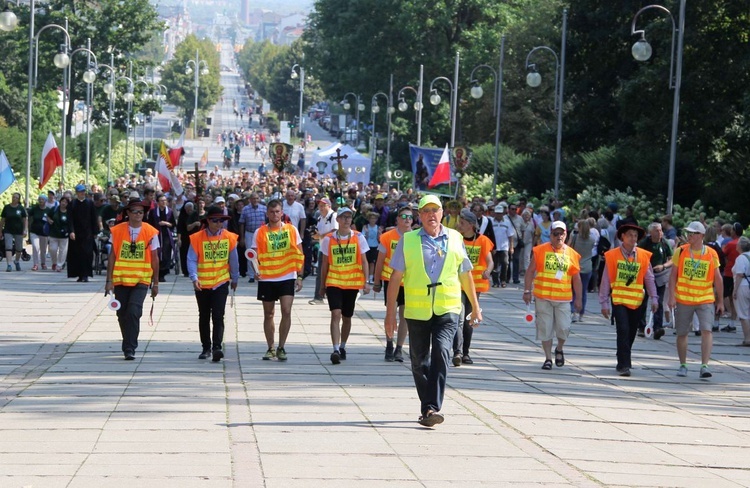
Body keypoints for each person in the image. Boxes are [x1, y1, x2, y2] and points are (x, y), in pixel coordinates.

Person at [385, 195, 481, 427]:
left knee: (441, 351)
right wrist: (390, 314)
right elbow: (395, 278)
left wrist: (475, 307)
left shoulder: (456, 238)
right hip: (417, 312)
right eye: (425, 211)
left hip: (447, 309)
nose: (431, 215)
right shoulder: (408, 241)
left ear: (442, 214)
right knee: (419, 361)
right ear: (419, 216)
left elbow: (465, 274)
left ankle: (431, 407)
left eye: (435, 210)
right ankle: (428, 407)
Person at [598, 224, 658, 376]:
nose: (633, 238)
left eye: (635, 236)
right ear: (622, 237)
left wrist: (654, 298)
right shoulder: (612, 255)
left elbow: (649, 278)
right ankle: (624, 364)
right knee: (623, 330)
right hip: (619, 301)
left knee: (631, 332)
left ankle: (622, 356)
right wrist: (604, 302)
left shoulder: (643, 255)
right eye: (630, 235)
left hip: (637, 301)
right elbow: (606, 279)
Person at [522, 221, 582, 371]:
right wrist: (527, 291)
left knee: (564, 328)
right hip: (543, 297)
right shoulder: (540, 250)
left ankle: (559, 348)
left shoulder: (572, 254)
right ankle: (548, 358)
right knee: (545, 328)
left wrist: (579, 299)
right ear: (550, 235)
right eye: (556, 234)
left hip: (563, 298)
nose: (559, 237)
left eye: (562, 233)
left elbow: (576, 278)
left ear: (566, 234)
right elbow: (530, 271)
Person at [105, 198, 160, 360]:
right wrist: (109, 280)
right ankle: (127, 341)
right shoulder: (117, 230)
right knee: (122, 314)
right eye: (135, 211)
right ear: (128, 213)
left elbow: (155, 258)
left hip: (141, 280)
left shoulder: (151, 232)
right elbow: (113, 256)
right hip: (121, 279)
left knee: (133, 311)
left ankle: (130, 347)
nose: (138, 214)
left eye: (141, 212)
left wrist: (155, 283)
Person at [668, 221, 723, 379]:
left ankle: (704, 365)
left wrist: (719, 301)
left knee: (707, 330)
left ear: (702, 236)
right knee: (682, 333)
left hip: (705, 298)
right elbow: (673, 276)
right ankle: (683, 364)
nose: (689, 236)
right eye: (689, 233)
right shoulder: (681, 251)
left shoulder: (711, 253)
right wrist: (671, 297)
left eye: (693, 233)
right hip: (684, 298)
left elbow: (718, 279)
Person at [251, 199, 304, 361]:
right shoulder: (259, 232)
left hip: (287, 276)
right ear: (267, 214)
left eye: (277, 212)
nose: (275, 215)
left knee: (286, 311)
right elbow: (253, 255)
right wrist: (255, 270)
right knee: (269, 314)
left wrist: (300, 276)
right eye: (272, 212)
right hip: (267, 277)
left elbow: (300, 253)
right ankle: (270, 347)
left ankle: (281, 346)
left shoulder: (291, 230)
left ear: (282, 213)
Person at [319, 207, 371, 364]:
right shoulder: (328, 239)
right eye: (344, 217)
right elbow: (324, 264)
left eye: (349, 217)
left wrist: (366, 281)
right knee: (335, 314)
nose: (347, 220)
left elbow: (364, 261)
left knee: (346, 317)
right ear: (338, 220)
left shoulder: (359, 237)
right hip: (334, 282)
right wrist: (322, 286)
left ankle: (343, 346)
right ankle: (335, 349)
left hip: (352, 283)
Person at [187, 206, 239, 362]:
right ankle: (205, 348)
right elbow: (191, 259)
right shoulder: (197, 238)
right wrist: (194, 277)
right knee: (204, 316)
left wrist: (235, 278)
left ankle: (217, 347)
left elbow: (234, 260)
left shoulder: (229, 237)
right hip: (202, 283)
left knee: (218, 315)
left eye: (221, 220)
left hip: (220, 282)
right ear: (208, 221)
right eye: (215, 220)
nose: (219, 223)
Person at [373, 205, 414, 362]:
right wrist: (376, 282)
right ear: (397, 219)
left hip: (408, 283)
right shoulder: (388, 237)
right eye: (403, 217)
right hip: (390, 281)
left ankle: (399, 348)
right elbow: (380, 261)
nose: (407, 220)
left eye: (410, 217)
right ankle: (389, 343)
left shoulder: (416, 237)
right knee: (391, 313)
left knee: (405, 315)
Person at [453, 208, 493, 365]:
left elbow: (490, 261)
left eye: (462, 223)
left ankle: (466, 353)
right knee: (459, 318)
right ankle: (457, 351)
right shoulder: (455, 239)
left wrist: (488, 271)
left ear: (470, 225)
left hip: (474, 286)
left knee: (470, 319)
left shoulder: (482, 240)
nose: (459, 225)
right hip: (457, 285)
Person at [637, 222, 674, 339]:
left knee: (659, 301)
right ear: (651, 232)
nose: (660, 233)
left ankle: (658, 327)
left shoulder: (665, 243)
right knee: (643, 301)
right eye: (657, 230)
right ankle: (642, 327)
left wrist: (663, 266)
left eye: (661, 230)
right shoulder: (644, 243)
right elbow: (637, 256)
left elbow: (672, 259)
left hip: (660, 275)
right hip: (645, 275)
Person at [68, 184, 101, 282]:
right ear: (77, 193)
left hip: (88, 233)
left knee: (87, 254)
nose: (82, 193)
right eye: (80, 192)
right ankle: (79, 274)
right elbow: (70, 219)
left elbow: (94, 218)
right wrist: (71, 231)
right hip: (77, 234)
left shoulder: (89, 203)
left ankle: (86, 274)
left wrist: (95, 231)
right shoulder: (72, 203)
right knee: (77, 254)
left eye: (83, 192)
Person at [309, 198, 338, 304]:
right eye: (320, 206)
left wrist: (320, 236)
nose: (321, 208)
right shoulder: (320, 218)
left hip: (332, 249)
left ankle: (319, 297)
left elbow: (335, 231)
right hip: (323, 248)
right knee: (322, 272)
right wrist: (316, 235)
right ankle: (320, 296)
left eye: (323, 205)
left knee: (325, 273)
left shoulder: (333, 216)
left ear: (329, 206)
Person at [569, 218, 596, 323]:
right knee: (583, 291)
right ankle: (581, 313)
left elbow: (568, 247)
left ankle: (572, 310)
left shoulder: (575, 237)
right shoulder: (591, 240)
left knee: (573, 290)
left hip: (575, 266)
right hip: (587, 267)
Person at [239, 192, 267, 283]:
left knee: (261, 253)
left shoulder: (264, 208)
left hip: (261, 233)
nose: (255, 200)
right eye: (253, 198)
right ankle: (251, 275)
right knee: (250, 254)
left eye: (257, 198)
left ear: (259, 199)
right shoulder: (245, 209)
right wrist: (242, 237)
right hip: (249, 233)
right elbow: (242, 223)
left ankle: (261, 273)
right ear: (250, 200)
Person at [148, 193, 176, 282]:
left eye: (165, 200)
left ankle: (163, 273)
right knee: (156, 253)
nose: (164, 202)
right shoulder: (153, 212)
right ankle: (155, 273)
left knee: (165, 254)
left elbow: (173, 224)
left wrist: (166, 223)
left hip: (166, 235)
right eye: (162, 201)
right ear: (157, 202)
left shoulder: (170, 211)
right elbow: (149, 224)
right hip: (156, 235)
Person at [1, 192, 28, 272]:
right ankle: (9, 265)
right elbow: (2, 220)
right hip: (8, 230)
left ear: (18, 199)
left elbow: (25, 220)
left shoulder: (21, 208)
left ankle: (16, 261)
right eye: (13, 197)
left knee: (19, 248)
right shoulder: (7, 207)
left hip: (18, 231)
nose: (14, 198)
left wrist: (25, 229)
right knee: (8, 247)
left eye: (16, 197)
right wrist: (0, 230)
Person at [731, 236, 750, 346]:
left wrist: (735, 290)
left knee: (743, 314)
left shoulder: (741, 258)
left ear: (740, 246)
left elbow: (739, 275)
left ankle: (747, 339)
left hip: (743, 286)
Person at [490, 205, 515, 288]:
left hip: (504, 247)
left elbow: (510, 236)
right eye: (497, 213)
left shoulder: (507, 222)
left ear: (503, 213)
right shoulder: (491, 222)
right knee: (494, 264)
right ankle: (495, 281)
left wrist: (511, 247)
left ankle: (503, 280)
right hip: (494, 247)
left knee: (505, 263)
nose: (498, 215)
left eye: (500, 213)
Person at [28, 194, 53, 271]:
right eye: (39, 199)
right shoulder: (34, 209)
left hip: (44, 233)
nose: (40, 201)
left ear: (45, 201)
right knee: (35, 247)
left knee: (43, 249)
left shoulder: (48, 210)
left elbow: (52, 221)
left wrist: (49, 220)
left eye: (42, 199)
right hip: (34, 231)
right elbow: (28, 215)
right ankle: (35, 264)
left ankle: (43, 263)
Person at [48, 196, 72, 271]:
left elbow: (71, 222)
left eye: (66, 202)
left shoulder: (69, 212)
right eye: (63, 201)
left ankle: (59, 265)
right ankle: (54, 262)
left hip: (64, 235)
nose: (64, 203)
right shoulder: (54, 209)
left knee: (63, 251)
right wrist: (49, 220)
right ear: (60, 202)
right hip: (54, 233)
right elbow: (48, 216)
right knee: (53, 249)